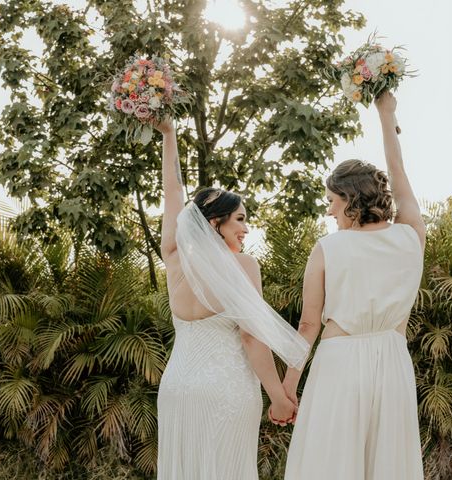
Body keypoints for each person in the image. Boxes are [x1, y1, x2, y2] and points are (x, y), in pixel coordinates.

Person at [282, 92, 426, 479]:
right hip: (393, 362)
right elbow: (398, 171)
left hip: (340, 364)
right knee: (387, 465)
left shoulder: (329, 247)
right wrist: (386, 115)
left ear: (350, 200)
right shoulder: (411, 234)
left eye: (331, 200)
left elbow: (308, 325)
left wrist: (287, 390)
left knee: (330, 464)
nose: (328, 210)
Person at [154, 119, 308, 480]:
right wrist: (278, 396)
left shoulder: (175, 259)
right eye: (239, 219)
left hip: (177, 388)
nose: (246, 227)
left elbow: (171, 192)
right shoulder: (243, 266)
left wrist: (168, 134)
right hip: (226, 391)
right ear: (214, 223)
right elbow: (251, 336)